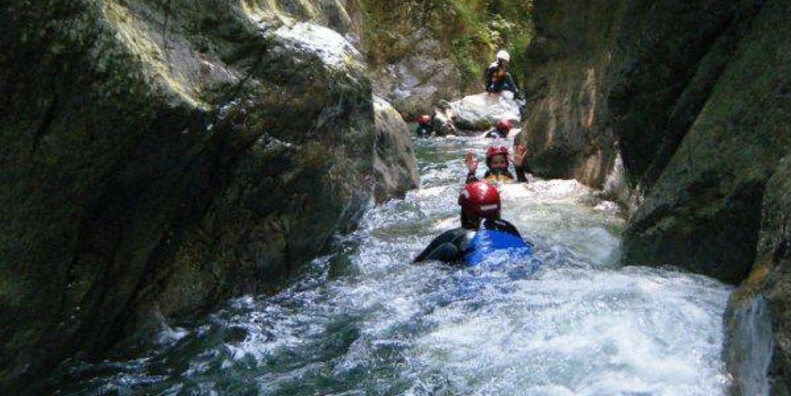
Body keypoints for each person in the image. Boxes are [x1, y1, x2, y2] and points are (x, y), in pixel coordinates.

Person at [414, 181, 529, 264]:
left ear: (467, 213)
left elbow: (418, 263)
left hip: (466, 276)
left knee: (448, 248)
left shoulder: (454, 236)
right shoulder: (510, 231)